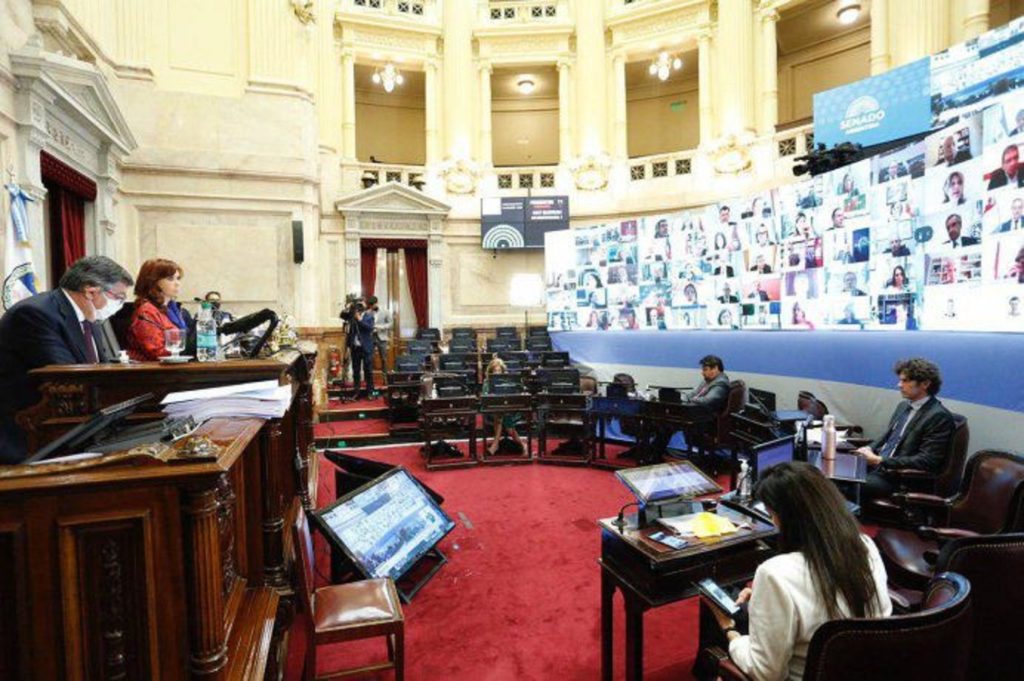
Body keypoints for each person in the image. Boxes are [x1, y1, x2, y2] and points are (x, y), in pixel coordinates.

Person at [713, 462, 891, 681]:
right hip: (866, 671)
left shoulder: (774, 573)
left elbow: (767, 673)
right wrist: (763, 598)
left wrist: (730, 632)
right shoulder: (865, 545)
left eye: (771, 514)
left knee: (723, 622)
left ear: (785, 518)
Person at [0, 255, 133, 463]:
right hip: (26, 435)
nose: (120, 305)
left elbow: (98, 367)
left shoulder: (90, 318)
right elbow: (66, 377)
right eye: (119, 297)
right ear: (91, 292)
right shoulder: (34, 314)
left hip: (73, 427)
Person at [854, 358, 956, 500]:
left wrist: (880, 460)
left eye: (905, 381)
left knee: (839, 485)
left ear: (925, 384)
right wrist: (869, 448)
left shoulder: (939, 416)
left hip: (898, 479)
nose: (899, 385)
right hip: (877, 469)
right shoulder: (903, 406)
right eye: (900, 380)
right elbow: (888, 438)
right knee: (831, 474)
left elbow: (927, 460)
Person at [124, 258, 193, 361]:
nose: (177, 283)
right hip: (152, 369)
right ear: (154, 282)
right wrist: (188, 348)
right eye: (170, 279)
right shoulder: (147, 312)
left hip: (173, 366)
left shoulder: (172, 310)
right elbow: (157, 353)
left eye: (178, 278)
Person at [483, 357, 524, 456]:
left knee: (501, 417)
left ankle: (495, 445)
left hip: (509, 410)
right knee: (500, 416)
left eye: (499, 371)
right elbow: (485, 397)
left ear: (502, 371)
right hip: (492, 410)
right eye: (495, 371)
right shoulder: (487, 382)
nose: (497, 373)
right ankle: (523, 446)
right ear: (490, 372)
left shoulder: (508, 382)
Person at [346, 300, 375, 399]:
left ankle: (370, 392)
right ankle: (356, 392)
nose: (358, 308)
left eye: (360, 305)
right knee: (356, 371)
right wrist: (349, 307)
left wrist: (359, 319)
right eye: (357, 306)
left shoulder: (369, 316)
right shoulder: (352, 318)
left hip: (366, 348)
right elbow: (350, 332)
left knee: (368, 371)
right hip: (355, 348)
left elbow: (370, 328)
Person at [368, 296, 392, 372]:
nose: (372, 307)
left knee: (384, 358)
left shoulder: (385, 311)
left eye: (373, 305)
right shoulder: (368, 312)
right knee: (369, 357)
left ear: (377, 303)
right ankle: (370, 375)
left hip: (382, 337)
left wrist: (381, 327)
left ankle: (385, 376)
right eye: (371, 305)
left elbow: (391, 324)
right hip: (371, 337)